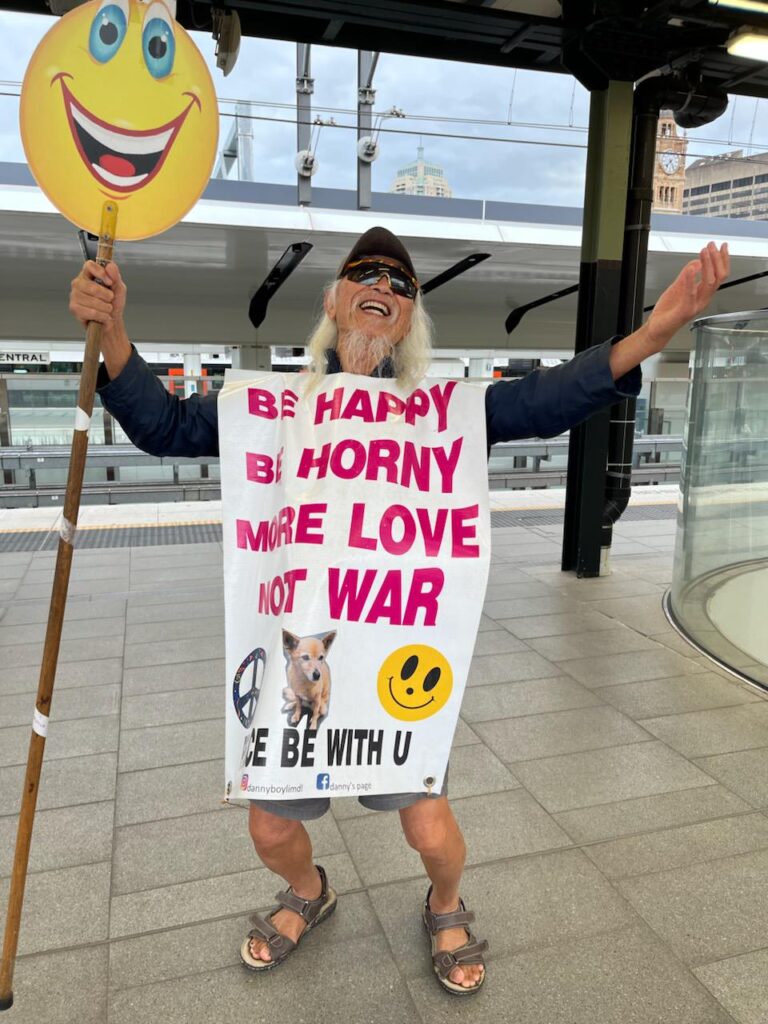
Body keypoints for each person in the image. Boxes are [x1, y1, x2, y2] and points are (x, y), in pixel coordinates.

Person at [69, 227, 729, 995]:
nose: (383, 285)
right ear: (334, 298)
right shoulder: (273, 405)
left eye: (401, 283)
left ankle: (445, 903)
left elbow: (550, 400)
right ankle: (309, 892)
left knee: (427, 824)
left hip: (395, 658)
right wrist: (112, 333)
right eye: (364, 273)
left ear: (409, 318)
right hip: (298, 653)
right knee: (269, 825)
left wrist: (656, 331)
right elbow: (163, 426)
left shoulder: (442, 412)